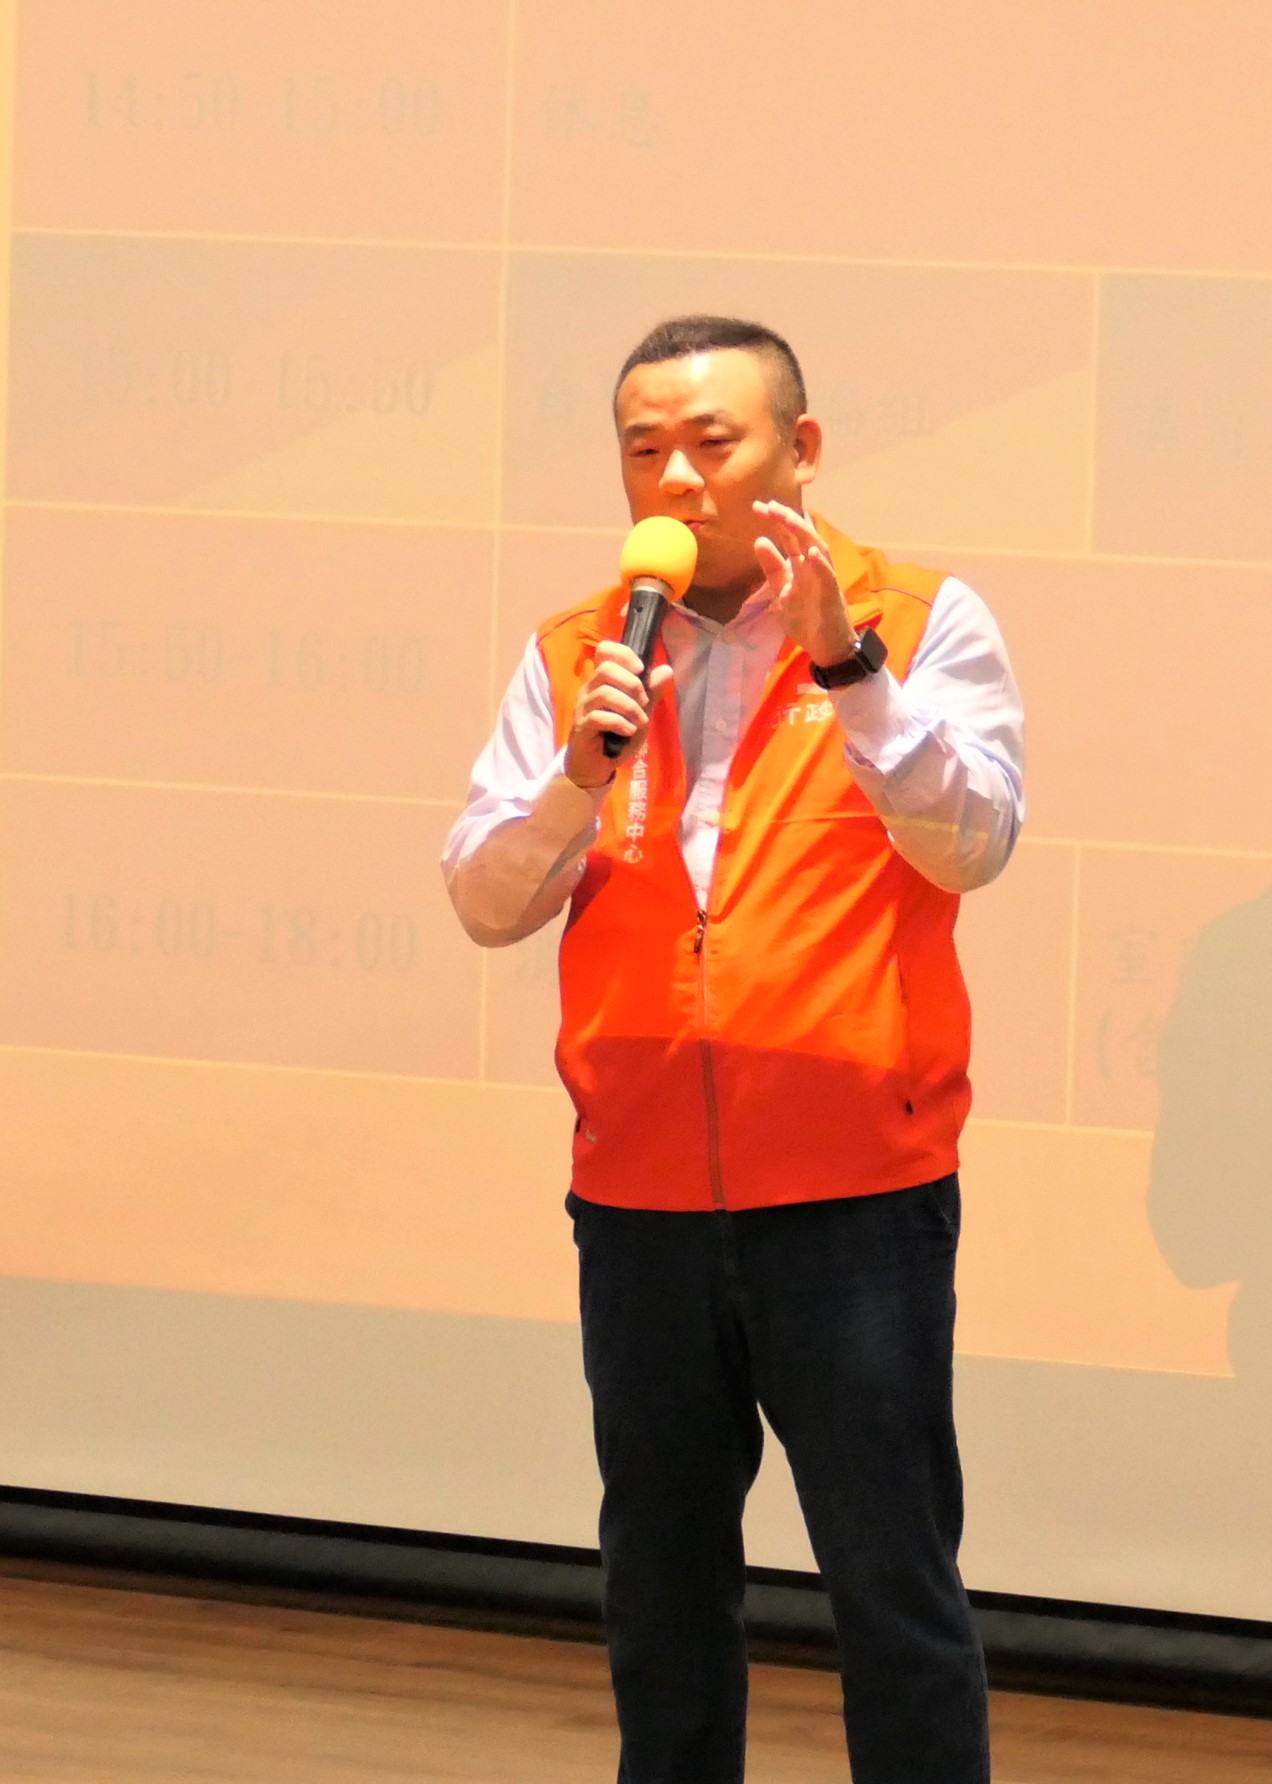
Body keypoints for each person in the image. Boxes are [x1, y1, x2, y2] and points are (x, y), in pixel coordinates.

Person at [443, 315, 1025, 1784]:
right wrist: (577, 776)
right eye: (644, 450)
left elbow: (973, 844)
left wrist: (853, 671)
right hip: (639, 1195)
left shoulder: (920, 618)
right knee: (661, 1583)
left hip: (852, 1195)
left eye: (713, 442)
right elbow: (486, 903)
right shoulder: (578, 652)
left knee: (891, 1583)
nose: (677, 479)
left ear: (800, 450)